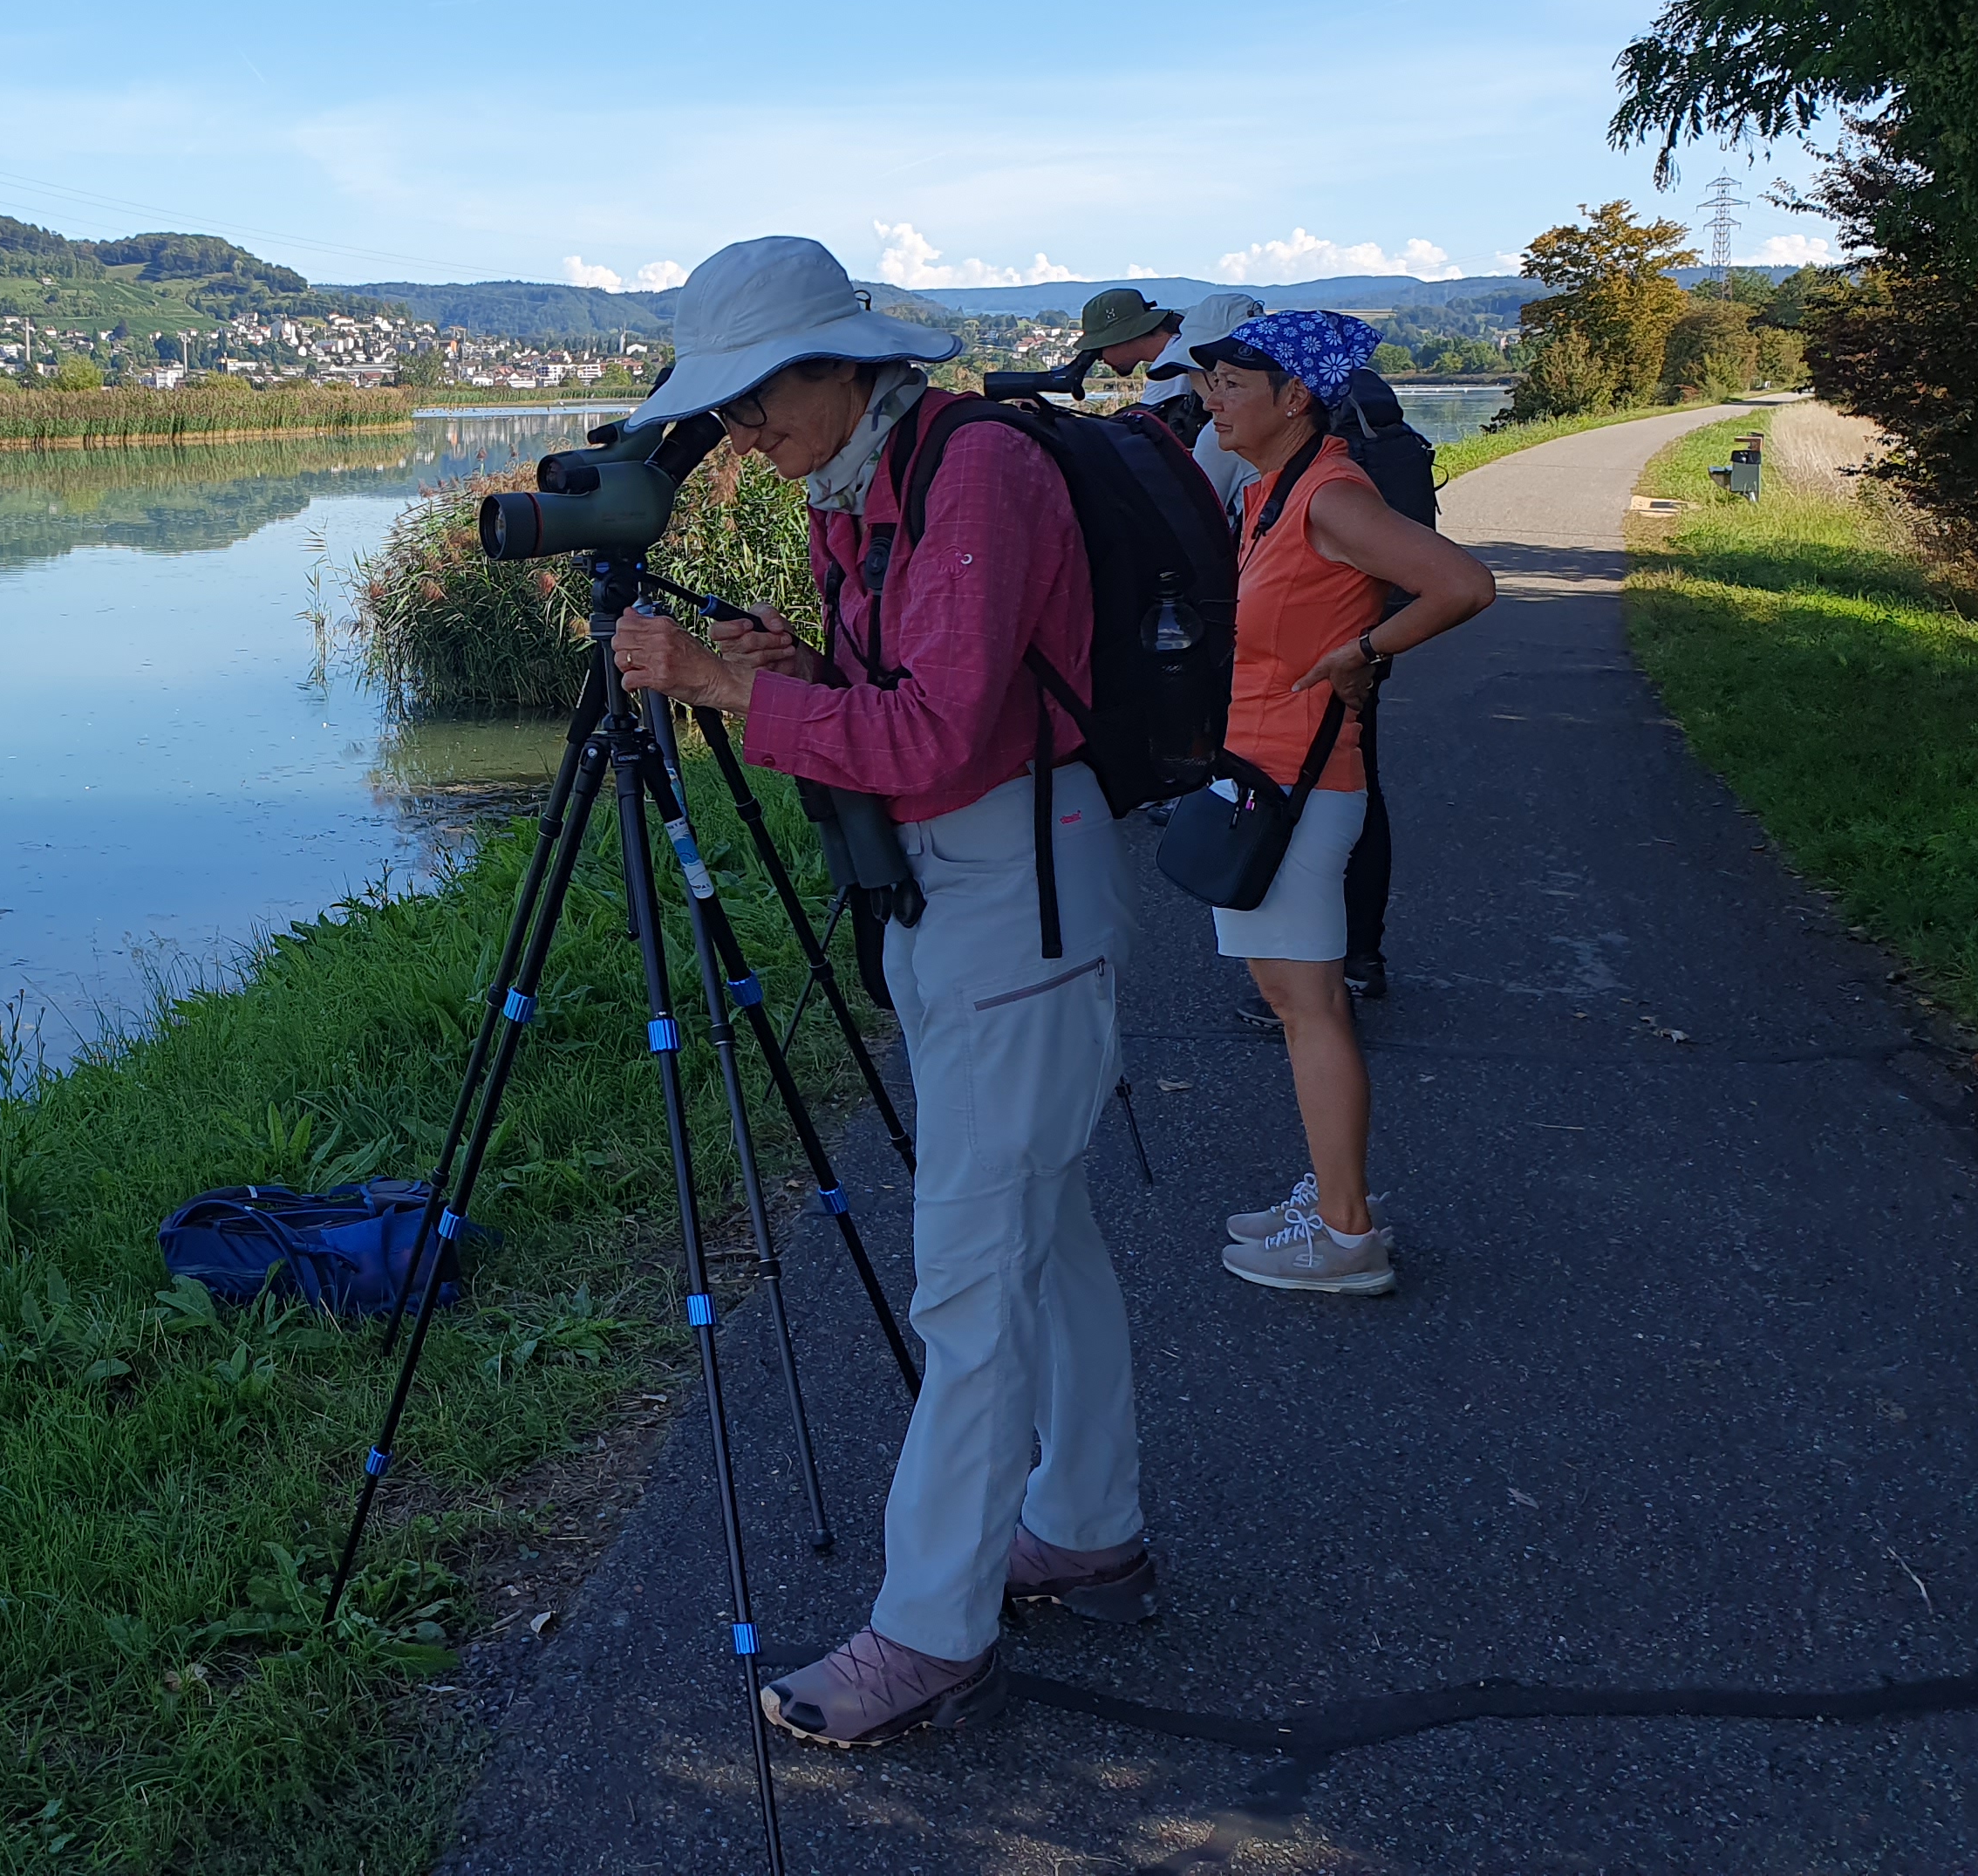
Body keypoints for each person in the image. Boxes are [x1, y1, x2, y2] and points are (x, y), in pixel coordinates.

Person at [610, 235, 1154, 1752]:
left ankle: (928, 1628)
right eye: (719, 411)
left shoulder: (970, 472)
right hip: (970, 889)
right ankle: (1090, 1519)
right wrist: (799, 664)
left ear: (843, 363)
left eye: (754, 398)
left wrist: (727, 690)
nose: (741, 433)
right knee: (1040, 1235)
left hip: (1011, 893)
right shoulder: (870, 478)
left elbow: (933, 735)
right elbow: (911, 701)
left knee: (971, 1275)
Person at [1190, 311, 1495, 1295]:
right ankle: (1329, 1196)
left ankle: (1346, 1232)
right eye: (1213, 382)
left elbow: (1461, 583)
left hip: (1304, 785)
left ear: (1296, 400)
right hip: (1260, 777)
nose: (1213, 398)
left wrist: (1365, 654)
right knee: (1291, 997)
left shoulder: (1330, 492)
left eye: (1234, 383)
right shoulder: (1270, 492)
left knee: (1311, 1006)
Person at [1145, 289, 1265, 508]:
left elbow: (1194, 518)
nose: (1206, 400)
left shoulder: (1225, 432)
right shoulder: (1292, 415)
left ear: (1212, 373)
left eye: (1190, 373)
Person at [1074, 284, 1181, 382]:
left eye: (1100, 348)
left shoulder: (1170, 368)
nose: (1100, 359)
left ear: (1122, 338)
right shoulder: (1183, 347)